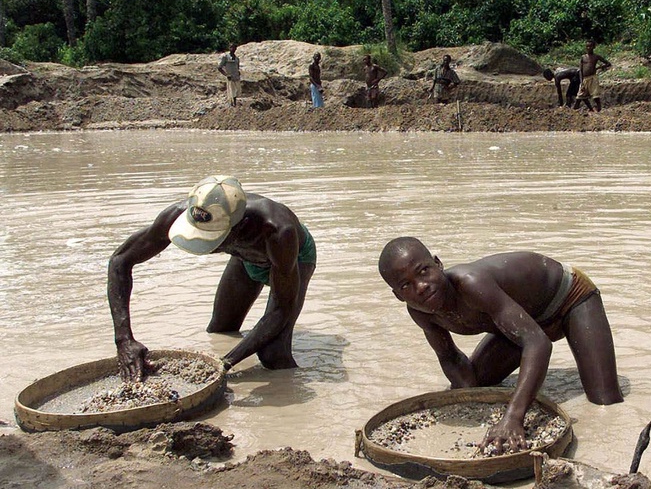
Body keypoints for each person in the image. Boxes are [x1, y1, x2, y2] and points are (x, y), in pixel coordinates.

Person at [378, 237, 623, 454]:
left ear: (438, 264)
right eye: (406, 285)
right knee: (476, 384)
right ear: (398, 295)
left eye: (423, 271)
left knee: (604, 402)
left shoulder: (470, 284)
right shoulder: (420, 312)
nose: (421, 287)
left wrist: (513, 417)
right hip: (524, 319)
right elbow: (449, 357)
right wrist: (468, 407)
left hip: (569, 297)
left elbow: (538, 343)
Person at [108, 176, 317, 382]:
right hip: (245, 258)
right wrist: (124, 339)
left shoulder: (278, 231)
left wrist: (225, 363)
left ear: (240, 225)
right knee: (220, 331)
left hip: (292, 259)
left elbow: (281, 309)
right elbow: (120, 261)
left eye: (215, 237)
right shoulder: (181, 215)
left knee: (273, 355)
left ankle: (292, 389)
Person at [574, 41, 611, 112]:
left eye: (590, 46)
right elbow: (581, 71)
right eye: (587, 46)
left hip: (593, 78)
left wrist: (599, 68)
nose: (588, 48)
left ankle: (599, 109)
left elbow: (608, 63)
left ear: (594, 47)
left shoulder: (596, 57)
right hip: (585, 79)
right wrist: (581, 82)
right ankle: (574, 111)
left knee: (595, 95)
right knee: (579, 96)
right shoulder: (583, 57)